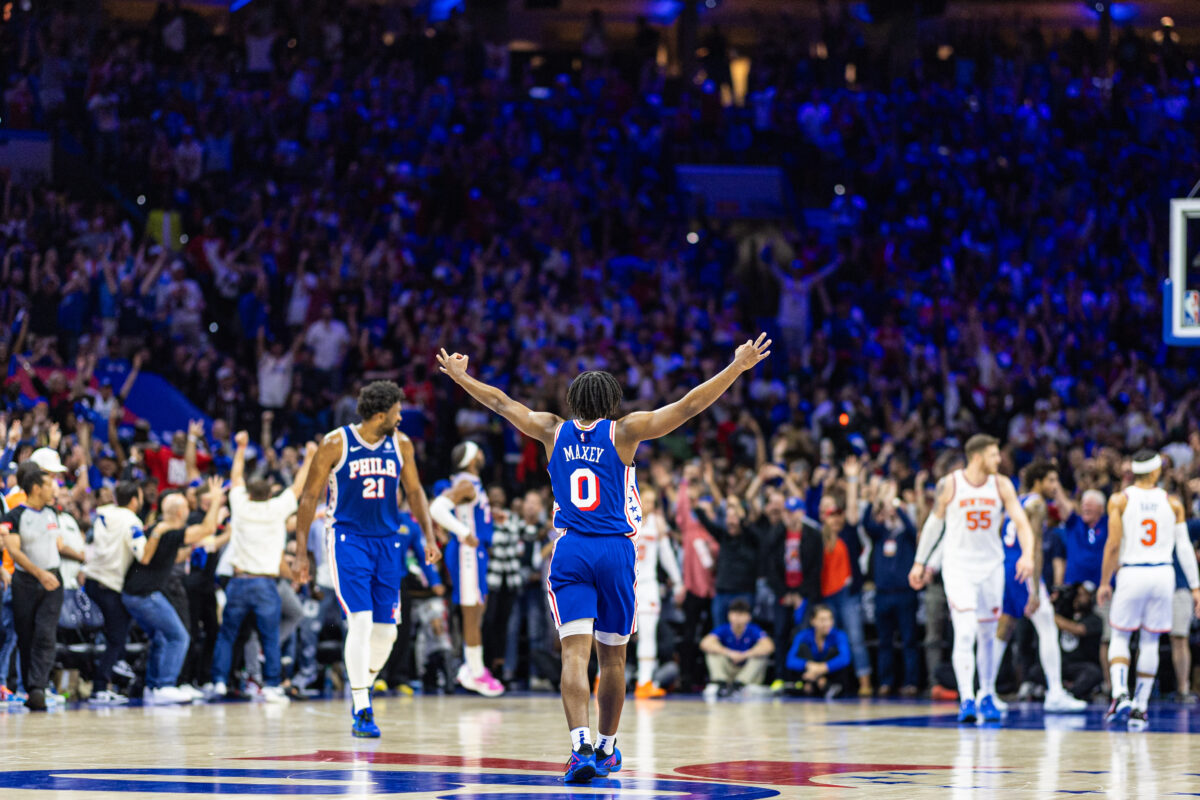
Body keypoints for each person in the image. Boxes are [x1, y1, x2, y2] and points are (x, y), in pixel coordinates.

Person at [437, 333, 771, 783]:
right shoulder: (625, 431)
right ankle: (608, 748)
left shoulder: (551, 429)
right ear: (612, 401)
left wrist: (462, 377)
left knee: (572, 656)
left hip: (571, 549)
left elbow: (500, 404)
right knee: (613, 659)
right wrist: (736, 368)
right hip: (615, 550)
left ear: (573, 400)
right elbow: (689, 407)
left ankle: (579, 747)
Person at [293, 380, 441, 738]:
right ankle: (362, 707)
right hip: (348, 538)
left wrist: (430, 537)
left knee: (387, 631)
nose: (401, 416)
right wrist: (301, 553)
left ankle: (363, 683)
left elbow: (416, 491)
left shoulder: (401, 444)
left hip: (389, 542)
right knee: (360, 621)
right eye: (397, 412)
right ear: (380, 415)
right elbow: (309, 498)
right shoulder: (335, 443)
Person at [909, 434, 1035, 725]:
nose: (999, 460)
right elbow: (933, 525)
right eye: (993, 455)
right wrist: (920, 561)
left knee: (988, 635)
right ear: (977, 456)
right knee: (965, 631)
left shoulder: (1002, 484)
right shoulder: (950, 484)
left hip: (991, 567)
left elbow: (1021, 522)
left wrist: (1027, 554)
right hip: (959, 568)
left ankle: (986, 694)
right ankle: (966, 697)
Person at [208, 432, 315, 702]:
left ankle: (219, 682)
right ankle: (270, 686)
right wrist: (310, 458)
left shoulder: (240, 506)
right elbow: (298, 488)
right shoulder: (276, 509)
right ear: (269, 493)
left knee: (227, 635)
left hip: (239, 581)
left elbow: (235, 477)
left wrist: (241, 448)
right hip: (266, 584)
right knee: (269, 637)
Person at [1099, 450, 1200, 730]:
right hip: (1162, 574)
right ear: (1156, 472)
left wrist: (1105, 581)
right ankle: (1140, 708)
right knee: (1150, 640)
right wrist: (1196, 587)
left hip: (1132, 571)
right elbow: (1184, 549)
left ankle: (1120, 693)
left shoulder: (1120, 500)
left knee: (1120, 635)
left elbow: (1113, 545)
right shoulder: (1173, 503)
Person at [123, 478, 226, 705]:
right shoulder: (169, 532)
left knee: (162, 637)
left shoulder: (156, 527)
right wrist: (217, 499)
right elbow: (208, 529)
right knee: (179, 636)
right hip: (144, 595)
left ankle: (153, 687)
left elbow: (171, 556)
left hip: (135, 593)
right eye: (187, 508)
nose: (189, 511)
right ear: (180, 513)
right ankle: (165, 685)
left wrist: (189, 549)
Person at [996, 461, 1086, 712]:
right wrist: (1035, 589)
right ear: (1039, 481)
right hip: (1024, 567)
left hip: (1006, 563)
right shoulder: (1036, 504)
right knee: (1047, 626)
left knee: (1005, 627)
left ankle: (985, 691)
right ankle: (1055, 692)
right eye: (1051, 480)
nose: (1054, 486)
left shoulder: (1018, 500)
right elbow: (1034, 547)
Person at [428, 441, 503, 696]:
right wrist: (464, 532)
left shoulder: (471, 483)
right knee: (471, 612)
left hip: (473, 553)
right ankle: (474, 670)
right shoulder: (466, 483)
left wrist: (489, 517)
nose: (484, 454)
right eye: (480, 451)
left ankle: (473, 667)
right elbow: (437, 508)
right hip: (466, 553)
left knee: (477, 608)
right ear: (472, 459)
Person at [1, 463, 64, 711]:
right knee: (25, 635)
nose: (54, 489)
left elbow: (56, 545)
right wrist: (39, 573)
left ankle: (38, 687)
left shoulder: (52, 513)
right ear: (36, 488)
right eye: (50, 485)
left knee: (46, 634)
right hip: (27, 581)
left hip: (53, 580)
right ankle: (30, 687)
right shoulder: (14, 516)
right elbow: (14, 551)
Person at [84, 481, 144, 705]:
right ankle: (100, 687)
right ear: (135, 499)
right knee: (116, 639)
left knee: (112, 636)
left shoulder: (103, 514)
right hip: (110, 584)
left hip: (91, 579)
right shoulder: (132, 521)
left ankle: (112, 677)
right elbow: (142, 553)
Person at [861, 476, 920, 696]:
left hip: (905, 594)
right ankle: (886, 682)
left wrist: (899, 509)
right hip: (883, 594)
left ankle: (911, 682)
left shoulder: (906, 534)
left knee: (908, 641)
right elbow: (866, 523)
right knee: (884, 641)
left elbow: (915, 532)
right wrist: (875, 500)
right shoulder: (880, 533)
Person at [631, 484, 683, 698]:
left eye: (653, 501)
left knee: (648, 635)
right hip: (625, 584)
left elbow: (667, 555)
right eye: (647, 500)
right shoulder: (623, 518)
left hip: (649, 585)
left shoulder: (657, 523)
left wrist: (678, 581)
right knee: (611, 634)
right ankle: (600, 678)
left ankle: (644, 682)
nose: (650, 505)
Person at [699, 598, 774, 697]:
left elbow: (769, 646)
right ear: (729, 615)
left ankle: (740, 684)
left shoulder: (753, 629)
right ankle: (720, 683)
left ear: (749, 617)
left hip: (746, 671)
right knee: (712, 652)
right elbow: (705, 643)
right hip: (729, 668)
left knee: (761, 655)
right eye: (735, 614)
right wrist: (729, 653)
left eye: (742, 614)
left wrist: (745, 654)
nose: (738, 618)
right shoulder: (723, 629)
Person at [785, 604, 853, 698]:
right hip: (807, 674)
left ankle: (819, 684)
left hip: (830, 676)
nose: (827, 623)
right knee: (803, 649)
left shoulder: (839, 635)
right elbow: (790, 660)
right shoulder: (803, 635)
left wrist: (822, 668)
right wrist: (809, 665)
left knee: (835, 652)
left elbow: (845, 658)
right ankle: (817, 683)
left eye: (830, 619)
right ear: (813, 621)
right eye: (822, 620)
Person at [1055, 582, 1105, 701]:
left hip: (1083, 665)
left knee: (1093, 673)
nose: (1078, 598)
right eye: (1076, 595)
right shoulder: (1065, 615)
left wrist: (1049, 615)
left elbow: (1078, 630)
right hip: (1063, 665)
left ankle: (1069, 694)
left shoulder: (1095, 619)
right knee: (1037, 670)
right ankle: (1054, 690)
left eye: (1082, 595)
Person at [1170, 520, 1200, 701]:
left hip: (1180, 586)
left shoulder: (1185, 525)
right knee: (1147, 637)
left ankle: (1183, 688)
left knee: (1180, 638)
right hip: (1154, 586)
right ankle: (1143, 689)